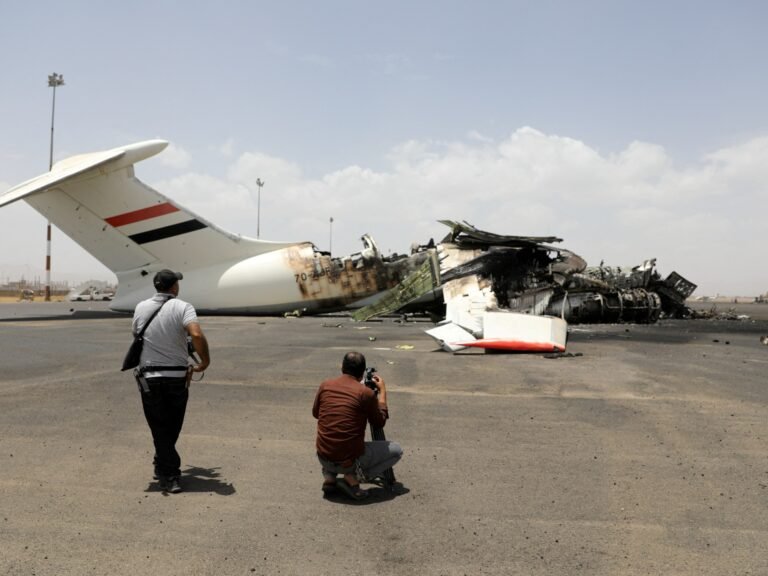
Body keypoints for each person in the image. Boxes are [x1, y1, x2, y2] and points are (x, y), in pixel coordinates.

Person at [132, 269, 210, 493]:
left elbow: (137, 334)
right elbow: (195, 334)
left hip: (150, 378)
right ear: (174, 286)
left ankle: (162, 462)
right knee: (172, 426)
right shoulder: (183, 306)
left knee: (160, 427)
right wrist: (205, 360)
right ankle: (171, 475)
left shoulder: (141, 307)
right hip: (177, 378)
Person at [312, 351, 402, 500]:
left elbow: (316, 414)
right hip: (348, 462)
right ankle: (352, 478)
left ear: (342, 367)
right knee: (397, 450)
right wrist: (382, 392)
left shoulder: (325, 385)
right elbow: (379, 422)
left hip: (323, 456)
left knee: (334, 437)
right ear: (362, 373)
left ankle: (330, 477)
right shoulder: (365, 393)